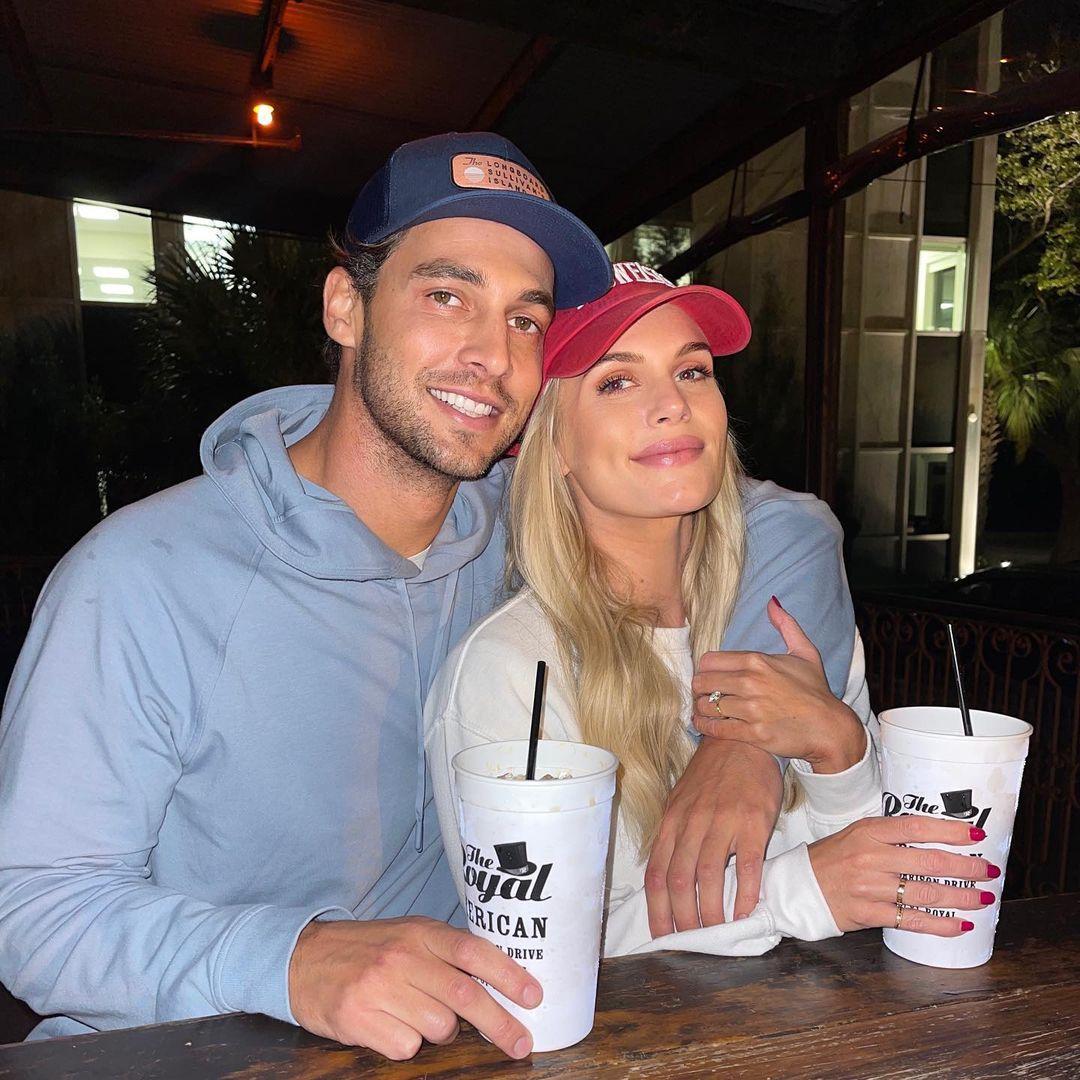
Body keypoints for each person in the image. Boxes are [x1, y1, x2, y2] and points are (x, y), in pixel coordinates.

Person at [0, 135, 840, 1061]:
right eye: (448, 296)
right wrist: (290, 960)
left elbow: (779, 522)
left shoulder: (514, 537)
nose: (493, 354)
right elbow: (32, 908)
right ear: (345, 306)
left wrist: (742, 737)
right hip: (180, 1050)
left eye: (526, 320)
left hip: (460, 1044)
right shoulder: (143, 576)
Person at [426, 265, 998, 956]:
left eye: (693, 371)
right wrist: (800, 892)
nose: (672, 404)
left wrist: (841, 753)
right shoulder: (513, 668)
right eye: (616, 380)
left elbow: (882, 875)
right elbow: (535, 947)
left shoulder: (784, 618)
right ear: (553, 446)